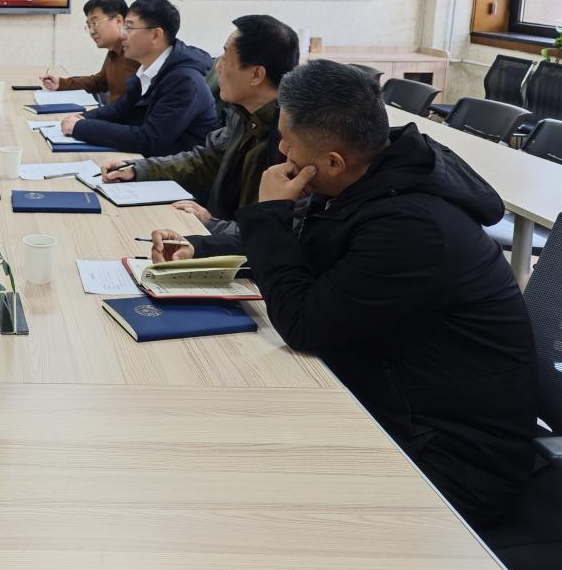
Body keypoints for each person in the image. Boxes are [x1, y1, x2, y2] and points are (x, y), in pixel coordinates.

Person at [162, 60, 537, 528]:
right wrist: (202, 248)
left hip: (445, 461)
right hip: (387, 404)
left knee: (232, 492)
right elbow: (310, 251)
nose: (281, 150)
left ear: (333, 162)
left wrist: (270, 212)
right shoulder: (368, 176)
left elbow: (303, 323)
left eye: (288, 142)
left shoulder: (410, 227)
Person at [102, 15, 299, 257]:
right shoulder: (243, 115)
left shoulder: (290, 140)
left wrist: (212, 223)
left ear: (256, 75)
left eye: (225, 58)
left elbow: (277, 234)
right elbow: (204, 161)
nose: (217, 67)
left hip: (245, 261)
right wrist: (138, 169)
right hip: (222, 240)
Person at [60, 0, 216, 156]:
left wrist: (81, 127)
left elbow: (150, 139)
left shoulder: (184, 80)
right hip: (149, 161)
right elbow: (120, 111)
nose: (122, 35)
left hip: (176, 168)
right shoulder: (146, 69)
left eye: (128, 28)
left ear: (155, 35)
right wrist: (81, 118)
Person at [40, 0, 138, 104]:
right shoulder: (114, 50)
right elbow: (99, 82)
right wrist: (61, 83)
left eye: (95, 23)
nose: (91, 31)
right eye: (89, 25)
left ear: (119, 21)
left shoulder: (136, 52)